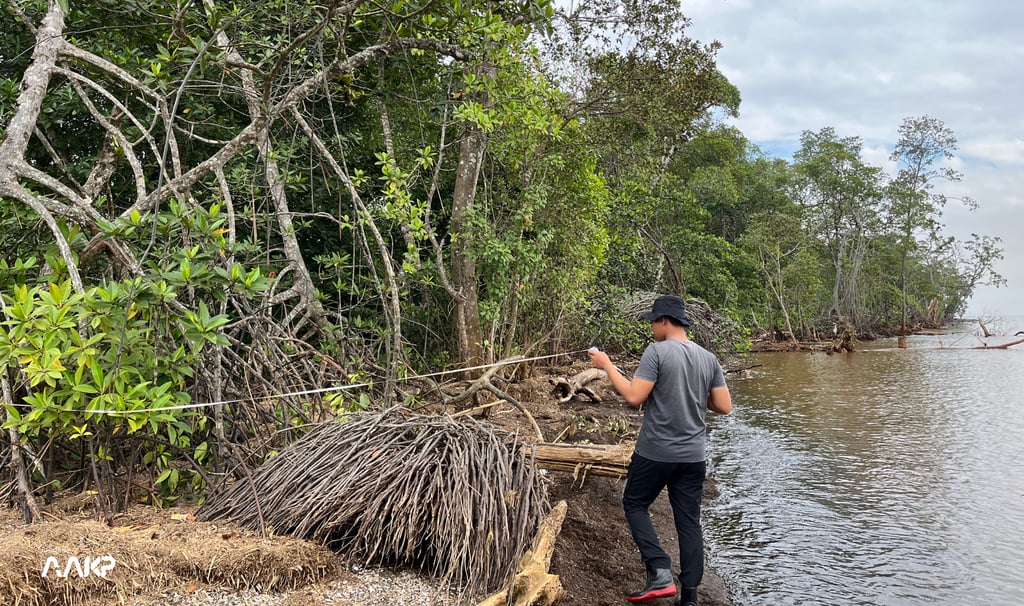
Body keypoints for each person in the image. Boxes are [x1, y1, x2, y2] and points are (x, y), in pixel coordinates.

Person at [589, 295, 732, 606]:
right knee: (689, 522)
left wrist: (606, 365)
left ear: (664, 320)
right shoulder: (708, 358)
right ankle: (690, 598)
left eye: (653, 321)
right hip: (694, 456)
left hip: (656, 452)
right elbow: (724, 406)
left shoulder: (657, 352)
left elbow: (633, 397)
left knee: (635, 503)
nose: (652, 327)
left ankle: (660, 571)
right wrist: (693, 393)